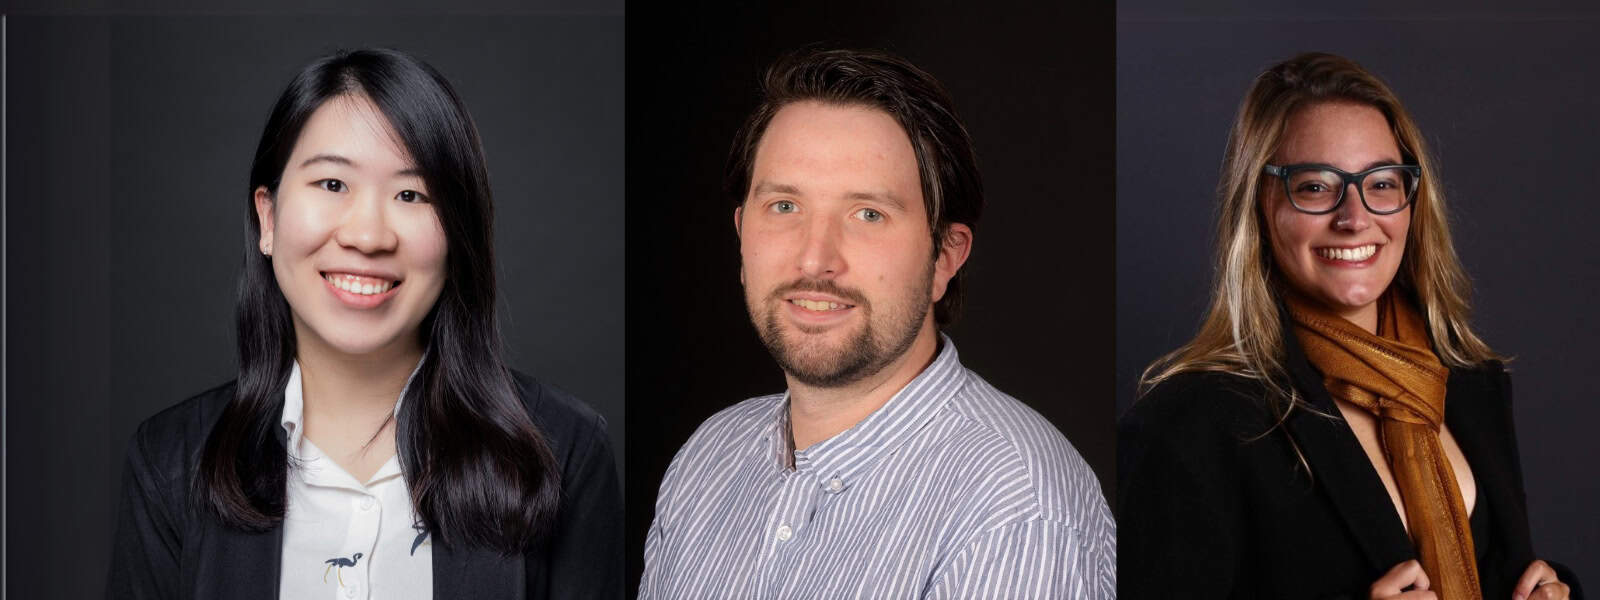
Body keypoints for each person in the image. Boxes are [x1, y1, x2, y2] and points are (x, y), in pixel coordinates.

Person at [106, 48, 621, 599]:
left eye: (410, 194)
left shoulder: (562, 452)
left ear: (458, 236)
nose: (368, 235)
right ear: (269, 216)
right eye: (332, 184)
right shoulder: (170, 463)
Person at [639, 47, 1114, 599]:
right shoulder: (708, 458)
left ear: (945, 257)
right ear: (742, 233)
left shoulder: (1014, 511)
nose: (815, 260)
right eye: (785, 207)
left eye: (868, 214)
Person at [1120, 52, 1577, 600]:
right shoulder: (1188, 426)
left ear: (1413, 200)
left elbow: (1505, 567)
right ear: (1261, 205)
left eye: (1381, 183)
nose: (1354, 217)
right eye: (1314, 186)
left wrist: (1555, 590)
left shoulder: (1467, 380)